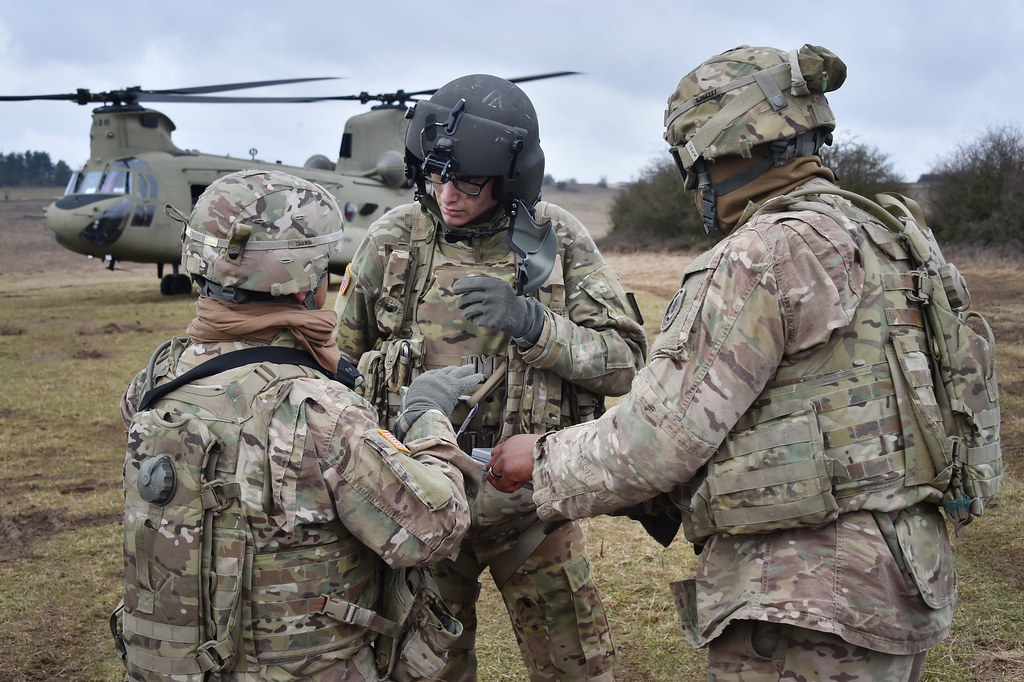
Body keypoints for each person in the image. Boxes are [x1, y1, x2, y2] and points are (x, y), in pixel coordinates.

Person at [488, 45, 1001, 681]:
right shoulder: (890, 237)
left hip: (804, 596)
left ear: (725, 144)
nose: (693, 183)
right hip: (902, 578)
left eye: (693, 160)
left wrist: (538, 460)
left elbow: (659, 439)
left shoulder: (762, 253)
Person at [334, 74, 648, 681]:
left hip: (531, 507)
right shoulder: (393, 242)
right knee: (427, 670)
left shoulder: (556, 239)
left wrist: (536, 325)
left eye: (469, 182)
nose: (448, 194)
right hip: (420, 505)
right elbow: (341, 373)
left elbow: (624, 361)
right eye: (437, 176)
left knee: (577, 667)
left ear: (509, 179)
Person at [115, 169, 484, 681]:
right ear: (311, 278)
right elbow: (436, 530)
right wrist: (426, 419)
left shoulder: (155, 378)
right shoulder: (318, 411)